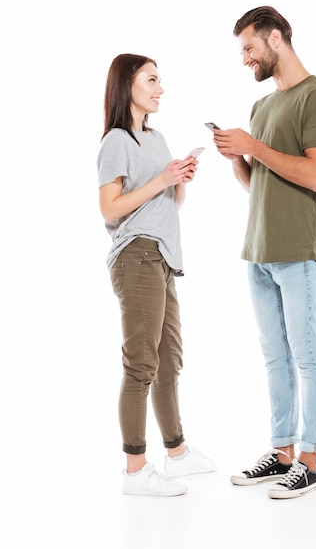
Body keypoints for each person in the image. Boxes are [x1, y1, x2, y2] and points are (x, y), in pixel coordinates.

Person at [212, 6, 316, 499]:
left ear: (274, 39)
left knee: (308, 355)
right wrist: (239, 157)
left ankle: (310, 461)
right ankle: (282, 451)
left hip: (300, 247)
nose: (246, 58)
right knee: (275, 357)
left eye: (249, 47)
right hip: (259, 249)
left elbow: (314, 175)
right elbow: (256, 185)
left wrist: (255, 147)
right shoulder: (262, 107)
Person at [97, 53, 216, 497]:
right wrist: (161, 179)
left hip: (163, 257)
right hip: (137, 258)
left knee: (171, 362)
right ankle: (134, 471)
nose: (160, 88)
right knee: (142, 365)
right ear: (128, 85)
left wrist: (178, 179)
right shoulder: (115, 141)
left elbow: (170, 207)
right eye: (152, 80)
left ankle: (178, 454)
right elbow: (110, 209)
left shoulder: (158, 137)